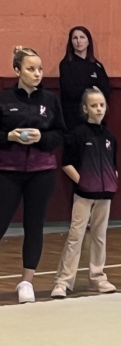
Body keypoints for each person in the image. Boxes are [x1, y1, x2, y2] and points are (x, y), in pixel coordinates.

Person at [0, 47, 66, 303]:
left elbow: (61, 133)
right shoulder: (4, 98)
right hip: (8, 171)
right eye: (30, 69)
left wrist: (42, 138)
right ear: (17, 70)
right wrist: (8, 136)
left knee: (34, 226)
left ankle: (27, 281)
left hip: (42, 172)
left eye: (39, 69)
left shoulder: (49, 100)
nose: (37, 73)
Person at [51, 88, 118, 298]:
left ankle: (98, 277)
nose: (98, 109)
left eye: (102, 105)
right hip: (83, 195)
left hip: (104, 196)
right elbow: (67, 163)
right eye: (94, 105)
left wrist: (112, 181)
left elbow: (113, 165)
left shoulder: (110, 137)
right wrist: (84, 182)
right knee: (76, 236)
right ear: (85, 108)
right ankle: (63, 281)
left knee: (99, 236)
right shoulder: (77, 134)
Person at [59, 27, 111, 132]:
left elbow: (106, 89)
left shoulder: (97, 65)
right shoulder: (66, 65)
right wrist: (92, 89)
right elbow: (70, 91)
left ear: (88, 41)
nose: (79, 41)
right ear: (71, 42)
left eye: (82, 37)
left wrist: (86, 90)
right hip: (73, 118)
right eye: (75, 38)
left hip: (95, 118)